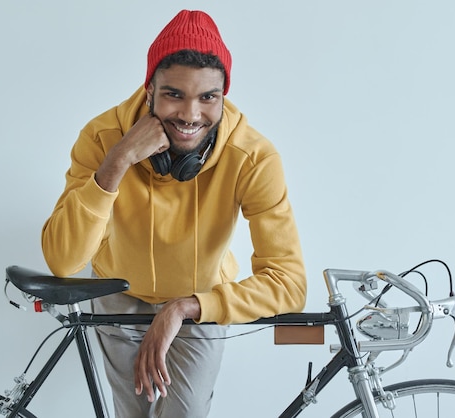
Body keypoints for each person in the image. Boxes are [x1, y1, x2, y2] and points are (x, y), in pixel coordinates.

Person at [41, 9, 306, 418]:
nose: (191, 115)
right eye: (174, 94)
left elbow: (289, 283)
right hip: (118, 295)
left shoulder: (254, 158)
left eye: (208, 97)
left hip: (201, 302)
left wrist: (185, 308)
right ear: (149, 90)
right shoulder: (102, 138)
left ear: (223, 95)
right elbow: (62, 260)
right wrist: (119, 160)